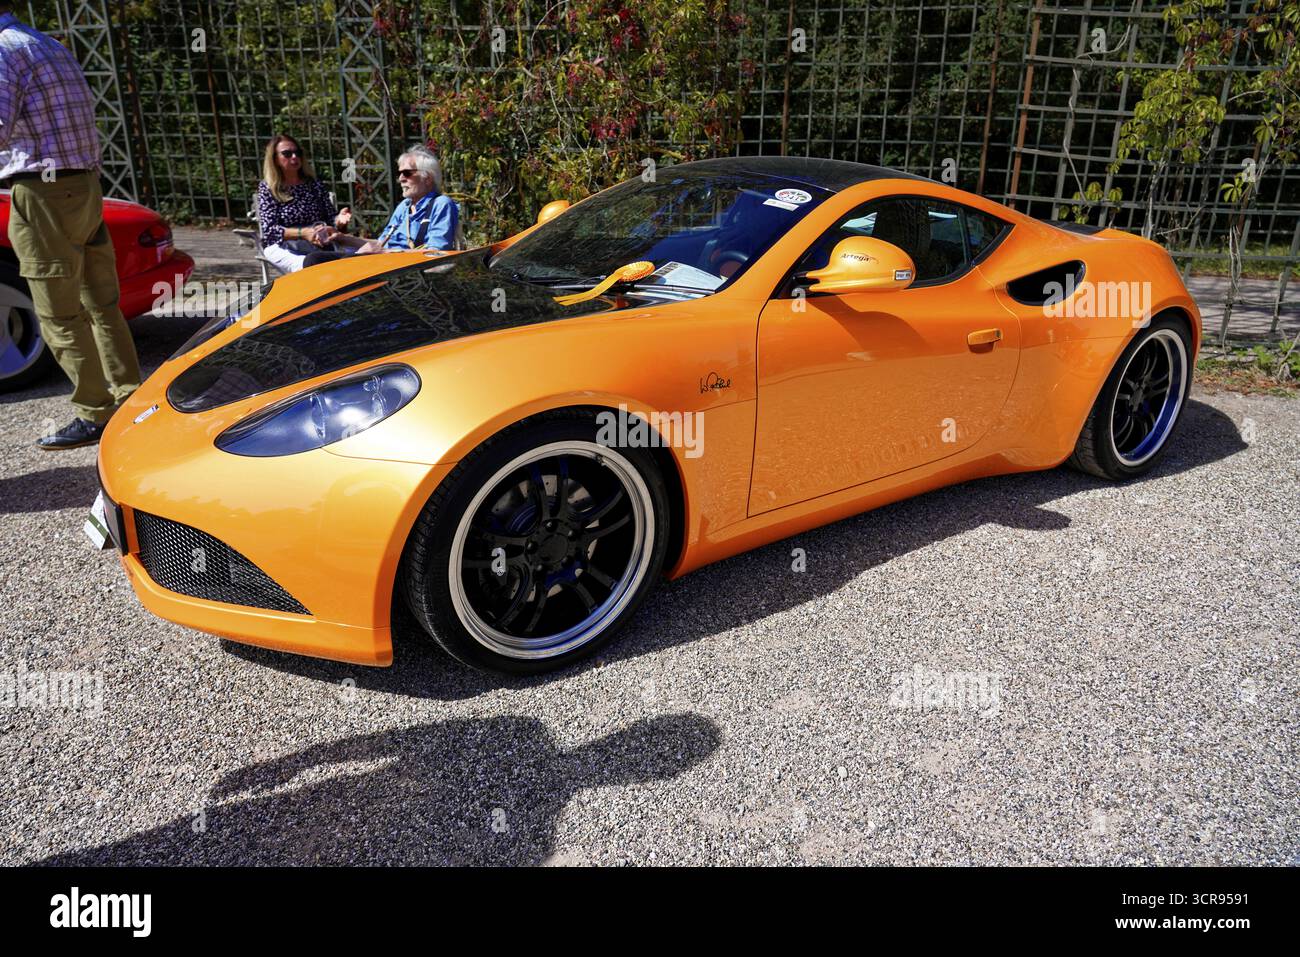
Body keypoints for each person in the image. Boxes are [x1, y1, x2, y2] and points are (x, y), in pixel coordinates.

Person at [302, 145, 458, 267]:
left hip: (404, 268)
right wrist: (342, 238)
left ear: (428, 178)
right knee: (314, 259)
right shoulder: (404, 206)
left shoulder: (441, 204)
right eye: (400, 173)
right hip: (383, 262)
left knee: (318, 262)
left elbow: (438, 253)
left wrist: (385, 252)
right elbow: (379, 244)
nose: (401, 179)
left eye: (407, 173)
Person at [255, 134, 351, 272]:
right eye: (287, 154)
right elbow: (269, 231)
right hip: (282, 246)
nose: (294, 157)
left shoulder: (313, 184)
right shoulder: (269, 188)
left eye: (297, 153)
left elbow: (331, 218)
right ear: (275, 159)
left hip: (319, 244)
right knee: (312, 265)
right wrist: (303, 233)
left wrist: (340, 220)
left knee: (350, 259)